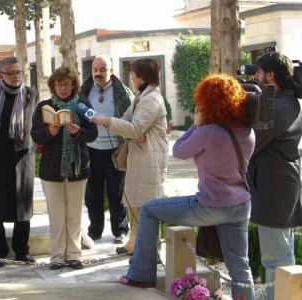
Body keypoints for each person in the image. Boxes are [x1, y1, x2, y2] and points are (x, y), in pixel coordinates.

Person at [117, 74, 256, 300]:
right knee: (240, 265)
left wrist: (195, 125)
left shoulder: (208, 132)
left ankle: (141, 274)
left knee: (150, 209)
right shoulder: (247, 132)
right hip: (241, 205)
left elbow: (179, 151)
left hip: (211, 205)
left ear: (208, 102)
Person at [92, 58, 169, 255]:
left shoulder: (151, 99)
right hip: (140, 157)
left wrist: (107, 122)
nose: (131, 77)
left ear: (141, 76)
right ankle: (133, 244)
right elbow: (128, 123)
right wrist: (130, 131)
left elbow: (134, 127)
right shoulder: (140, 96)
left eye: (133, 73)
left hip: (149, 159)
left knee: (146, 206)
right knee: (134, 202)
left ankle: (148, 251)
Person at [247, 52, 302, 300]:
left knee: (275, 258)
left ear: (271, 75)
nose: (254, 77)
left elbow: (252, 143)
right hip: (283, 184)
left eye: (259, 73)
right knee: (283, 251)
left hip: (273, 187)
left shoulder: (274, 106)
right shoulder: (290, 101)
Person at [31, 66, 98, 270]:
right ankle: (58, 256)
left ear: (73, 85)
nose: (62, 88)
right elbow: (35, 134)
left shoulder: (83, 105)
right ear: (53, 85)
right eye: (59, 84)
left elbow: (93, 134)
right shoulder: (45, 106)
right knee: (56, 214)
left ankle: (74, 255)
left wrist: (78, 131)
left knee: (74, 214)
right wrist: (50, 130)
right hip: (52, 169)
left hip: (78, 167)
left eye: (67, 84)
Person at [0, 56, 39, 267]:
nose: (16, 77)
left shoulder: (31, 94)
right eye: (11, 73)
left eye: (19, 72)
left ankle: (22, 251)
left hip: (23, 157)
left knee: (23, 206)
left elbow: (34, 123)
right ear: (0, 75)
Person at [79, 56, 133, 244]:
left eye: (102, 69)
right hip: (91, 148)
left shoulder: (123, 93)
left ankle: (120, 230)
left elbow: (130, 119)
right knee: (93, 193)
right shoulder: (84, 91)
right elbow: (79, 113)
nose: (98, 73)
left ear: (111, 70)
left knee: (116, 191)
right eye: (95, 69)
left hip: (115, 149)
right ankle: (95, 230)